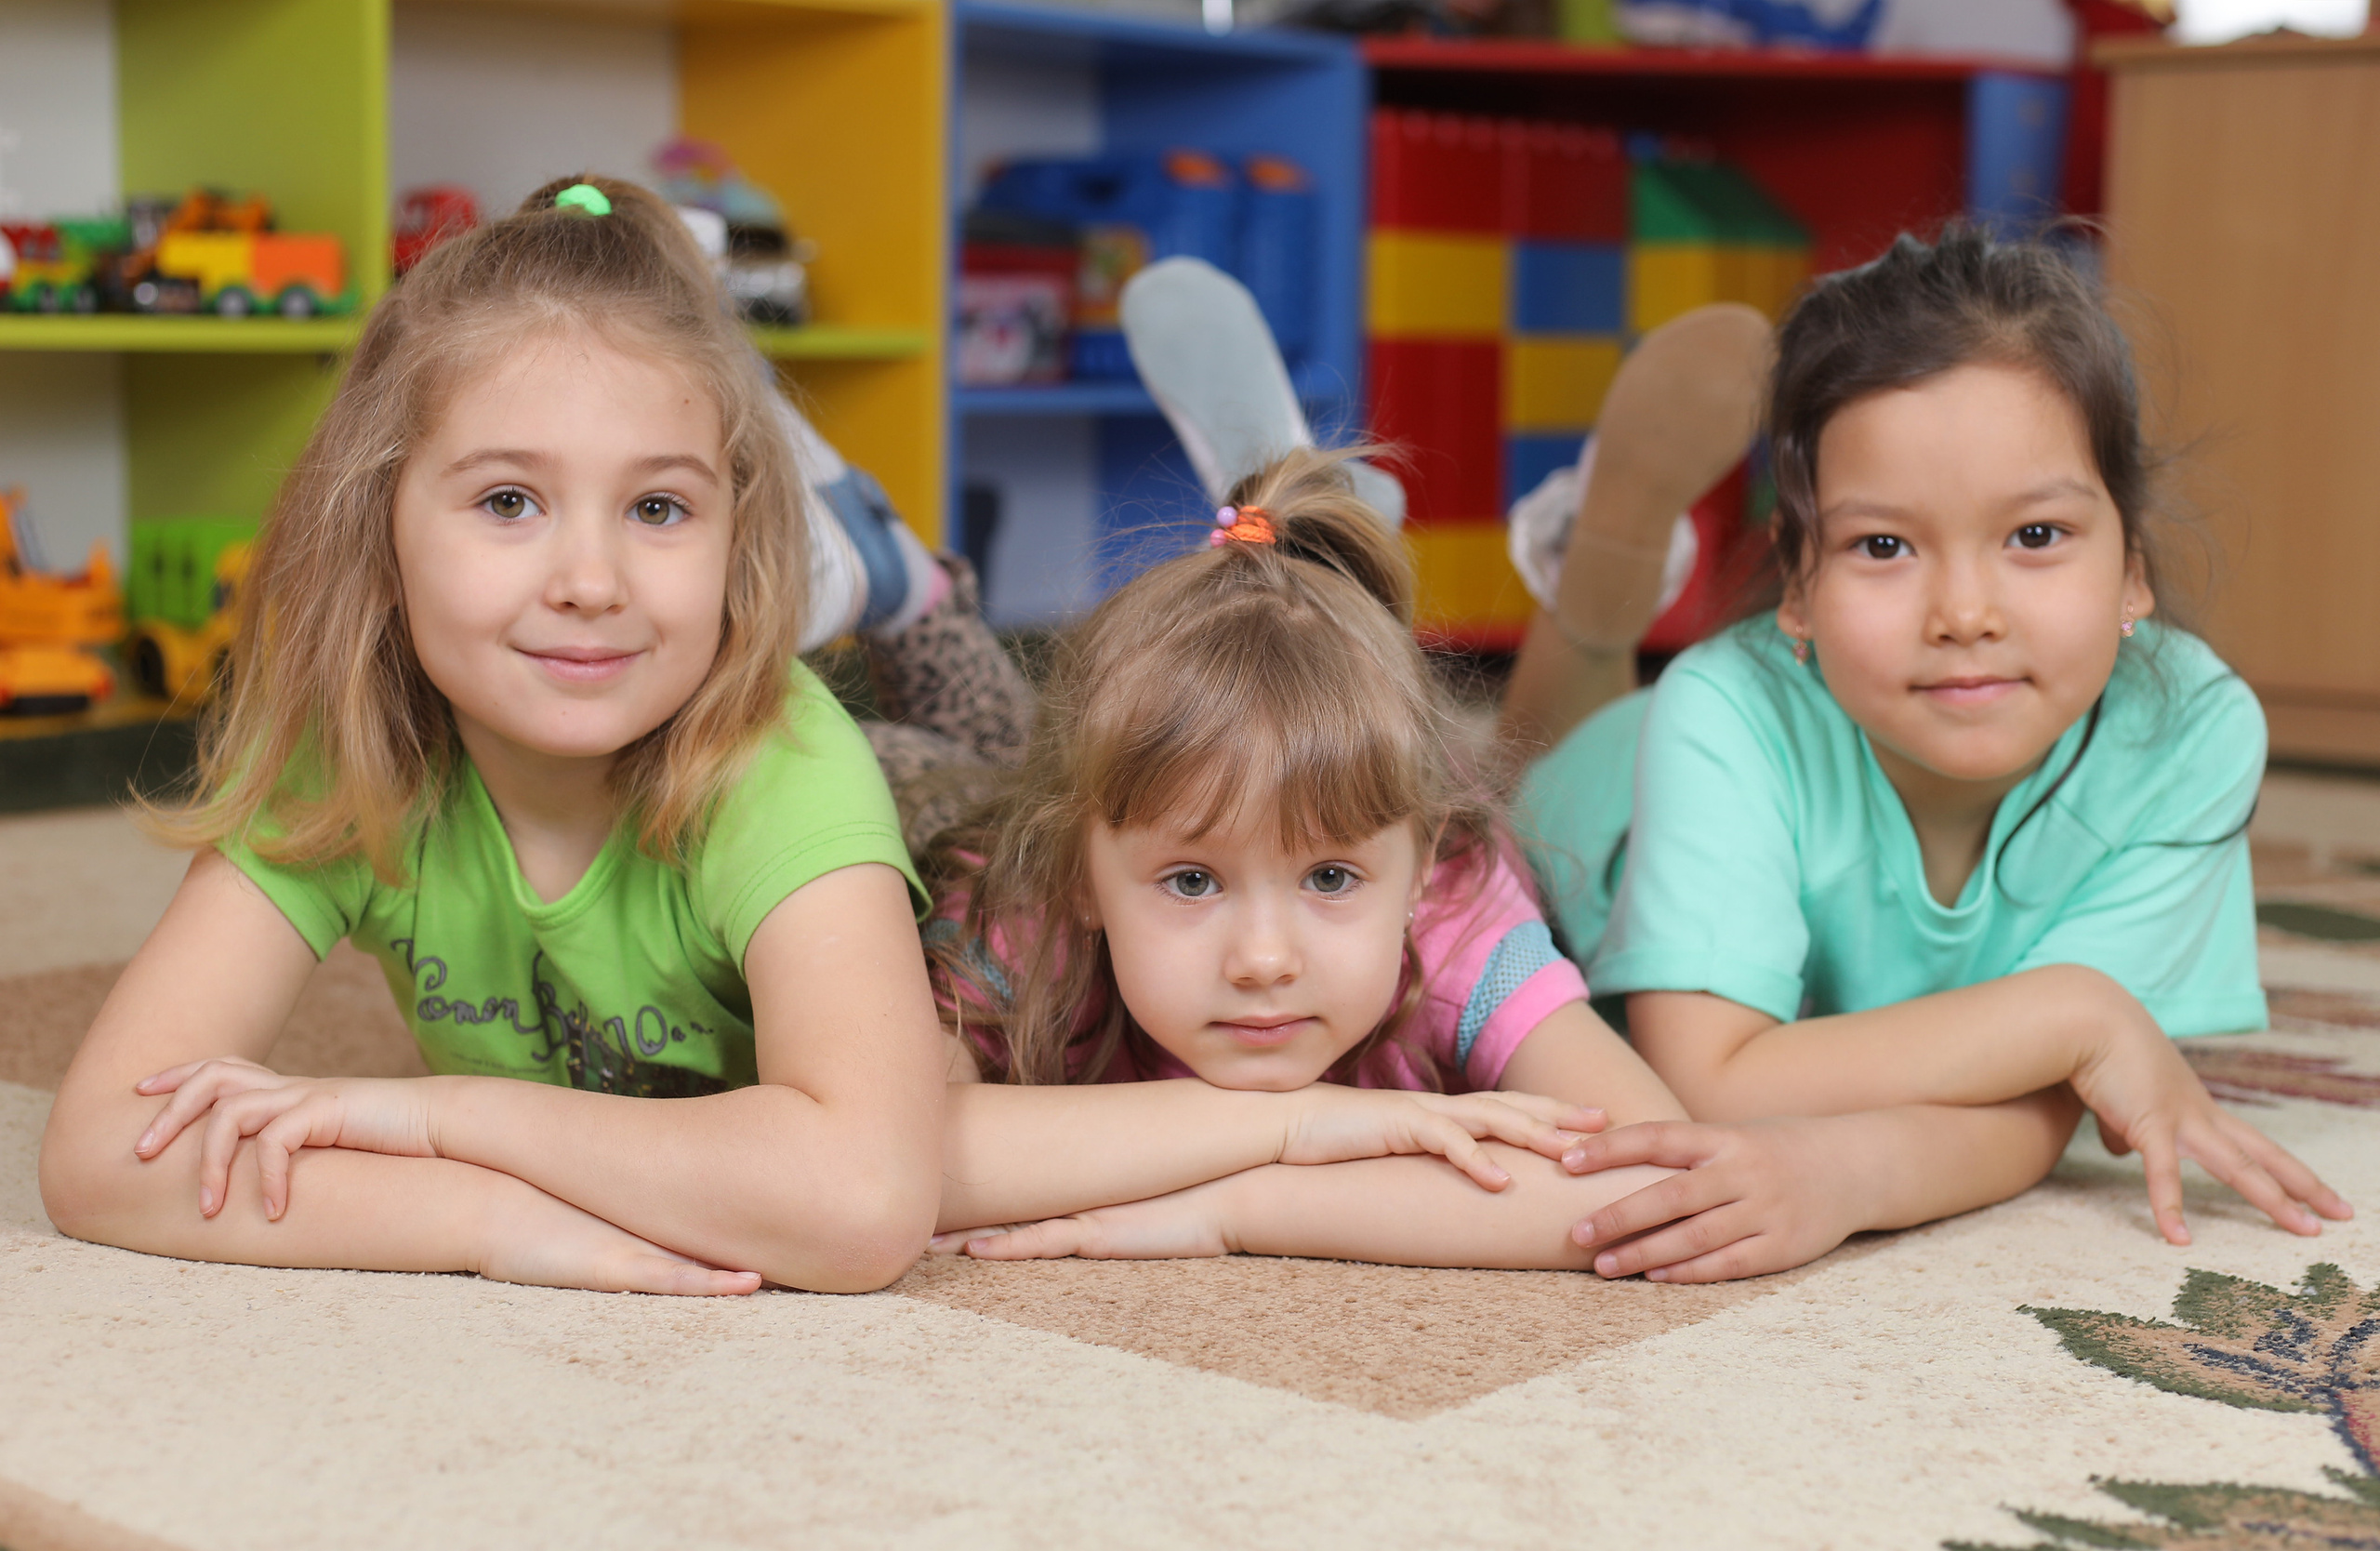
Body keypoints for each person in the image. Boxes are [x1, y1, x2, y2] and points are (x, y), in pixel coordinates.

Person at [35, 177, 955, 1296]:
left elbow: (861, 1201)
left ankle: (902, 582)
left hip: (978, 862)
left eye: (657, 508)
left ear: (734, 534)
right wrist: (479, 1217)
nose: (588, 583)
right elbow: (102, 1157)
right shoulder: (356, 762)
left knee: (1000, 889)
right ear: (376, 533)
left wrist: (444, 1119)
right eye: (509, 502)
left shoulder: (790, 768)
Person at [1505, 226, 2349, 1281]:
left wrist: (1852, 1173)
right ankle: (1598, 577)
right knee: (1526, 763)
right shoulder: (1722, 712)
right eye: (1884, 546)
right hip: (1613, 794)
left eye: (2034, 535)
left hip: (1776, 743)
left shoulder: (2188, 730)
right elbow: (1710, 1079)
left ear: (2133, 566)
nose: (1963, 613)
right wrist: (2076, 1010)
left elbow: (2046, 1094)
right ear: (1799, 588)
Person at [864, 449, 1697, 1268]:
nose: (1264, 959)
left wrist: (1238, 1206)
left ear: (1421, 868)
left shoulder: (1456, 912)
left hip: (1095, 799)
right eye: (1192, 880)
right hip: (932, 794)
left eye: (1330, 877)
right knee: (946, 759)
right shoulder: (1029, 907)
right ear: (1083, 879)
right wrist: (1291, 1126)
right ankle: (916, 601)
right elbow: (881, 1159)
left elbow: (1655, 1178)